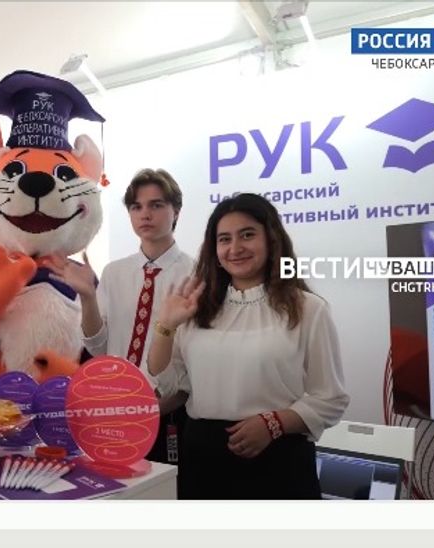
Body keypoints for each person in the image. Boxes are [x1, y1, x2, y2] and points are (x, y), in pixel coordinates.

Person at [146, 192, 349, 499]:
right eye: (224, 239)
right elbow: (167, 382)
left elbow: (330, 398)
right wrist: (166, 325)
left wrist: (274, 424)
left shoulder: (308, 308)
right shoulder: (196, 308)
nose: (235, 248)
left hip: (278, 457)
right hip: (203, 459)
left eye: (247, 235)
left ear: (271, 239)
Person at [46, 168, 195, 481]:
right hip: (115, 410)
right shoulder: (114, 273)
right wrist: (87, 297)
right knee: (118, 490)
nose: (145, 214)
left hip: (171, 411)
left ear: (176, 211)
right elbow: (98, 347)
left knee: (167, 493)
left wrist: (169, 400)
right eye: (136, 207)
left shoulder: (195, 275)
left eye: (156, 205)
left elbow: (197, 354)